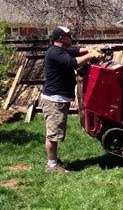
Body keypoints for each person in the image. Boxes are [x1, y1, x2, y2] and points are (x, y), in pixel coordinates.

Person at [42, 26, 102, 173]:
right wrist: (90, 56)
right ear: (61, 38)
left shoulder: (62, 50)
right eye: (69, 36)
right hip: (54, 100)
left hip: (58, 98)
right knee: (53, 134)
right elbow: (73, 63)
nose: (71, 38)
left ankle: (53, 160)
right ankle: (51, 166)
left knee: (55, 131)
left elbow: (77, 50)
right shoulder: (54, 53)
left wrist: (91, 50)